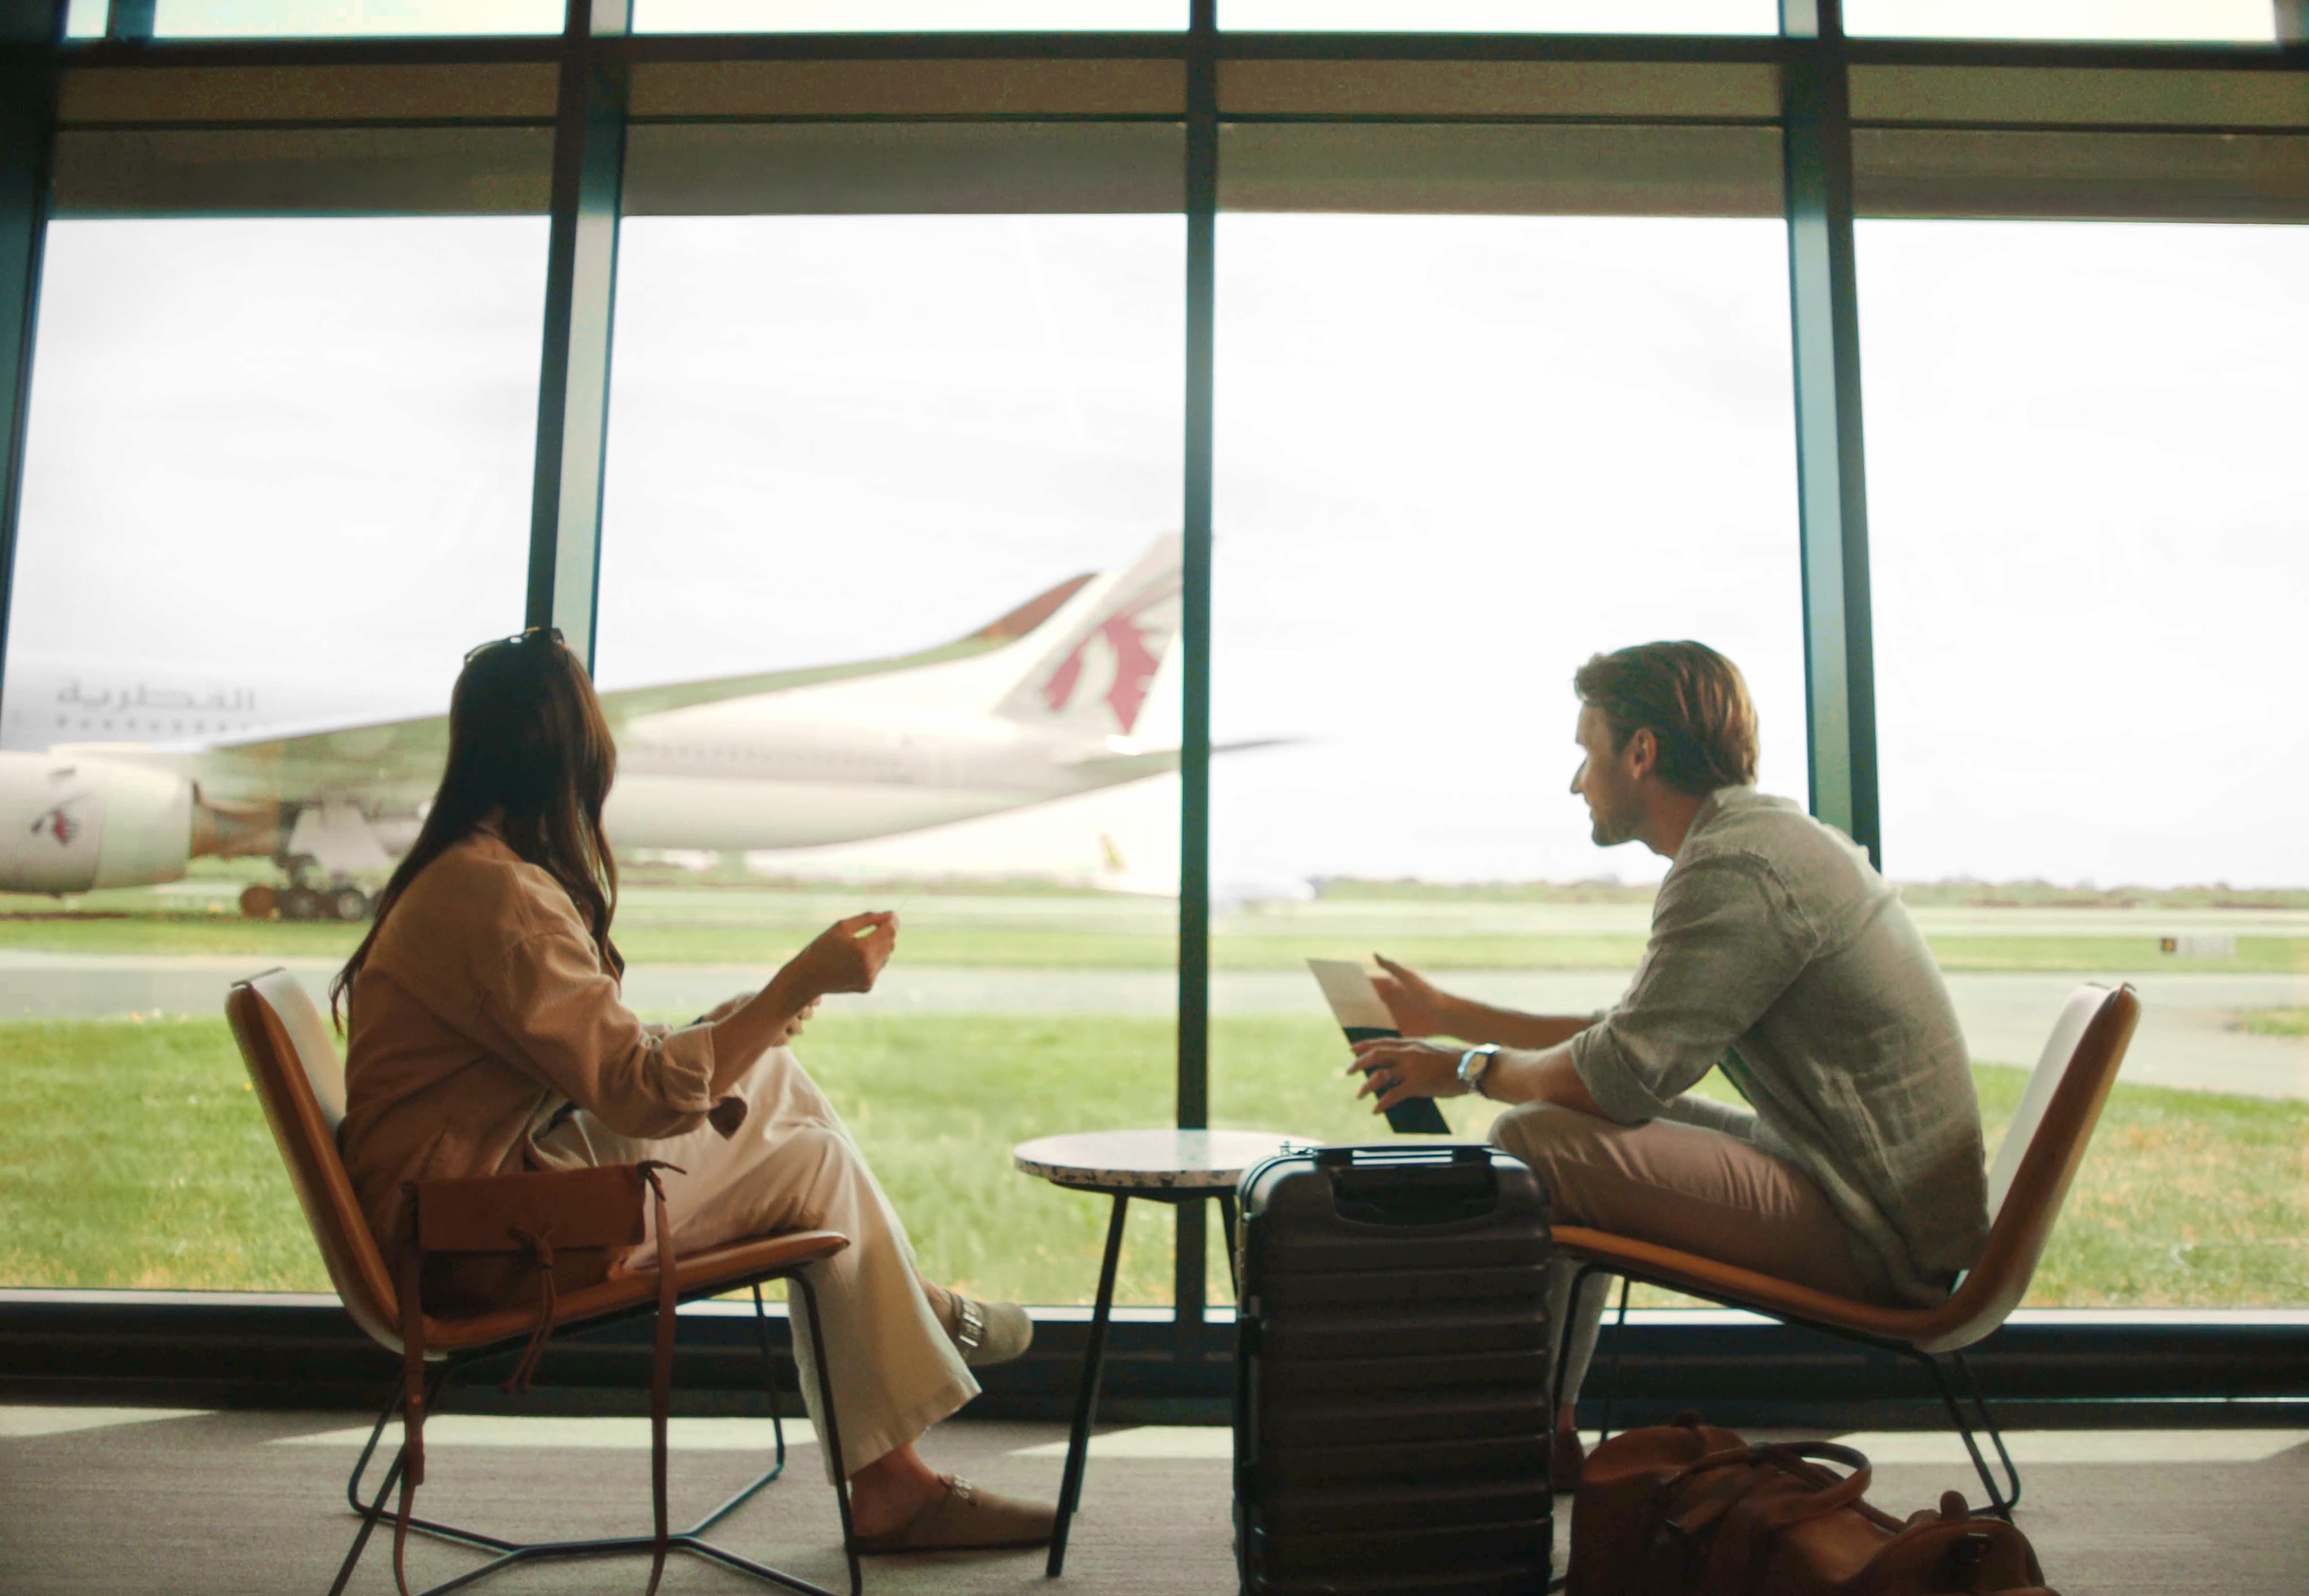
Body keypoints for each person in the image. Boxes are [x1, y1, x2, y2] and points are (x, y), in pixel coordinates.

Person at [333, 626, 1055, 1554]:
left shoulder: (464, 877)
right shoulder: (500, 900)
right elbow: (637, 1093)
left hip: (469, 1194)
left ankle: (915, 1319)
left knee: (774, 1075)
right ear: (574, 755)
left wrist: (747, 1025)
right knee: (813, 1164)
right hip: (478, 1239)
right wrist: (796, 984)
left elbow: (599, 1063)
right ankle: (894, 1484)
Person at [1344, 641, 1988, 1488]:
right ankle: (1541, 1431)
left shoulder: (1735, 868)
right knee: (1559, 1127)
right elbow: (1626, 1040)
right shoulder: (1759, 843)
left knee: (1538, 1143)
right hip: (1866, 1191)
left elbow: (1614, 1075)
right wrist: (1451, 1019)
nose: (1577, 780)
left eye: (1587, 749)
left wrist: (1467, 1065)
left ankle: (1512, 1437)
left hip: (1877, 1236)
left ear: (1640, 752)